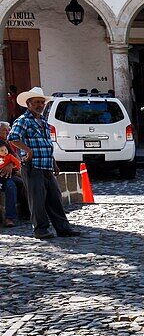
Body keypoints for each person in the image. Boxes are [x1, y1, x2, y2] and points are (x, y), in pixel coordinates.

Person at [7, 87, 81, 240]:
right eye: (36, 103)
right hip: (33, 166)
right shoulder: (23, 120)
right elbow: (13, 138)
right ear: (28, 104)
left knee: (55, 198)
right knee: (37, 200)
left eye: (42, 102)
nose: (40, 105)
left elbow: (47, 144)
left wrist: (54, 162)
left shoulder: (44, 121)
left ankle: (63, 228)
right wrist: (28, 151)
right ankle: (40, 230)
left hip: (46, 164)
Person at [0, 140, 22, 227]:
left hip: (5, 178)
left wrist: (10, 165)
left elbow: (16, 161)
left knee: (11, 186)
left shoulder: (3, 143)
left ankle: (9, 218)